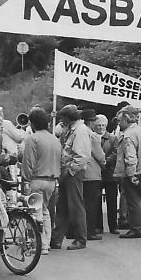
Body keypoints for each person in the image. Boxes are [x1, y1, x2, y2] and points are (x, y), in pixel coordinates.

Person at [20, 107, 61, 256]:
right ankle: (45, 244)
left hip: (36, 180)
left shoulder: (33, 139)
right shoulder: (55, 139)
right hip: (51, 181)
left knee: (34, 212)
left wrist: (25, 180)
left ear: (32, 123)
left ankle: (37, 243)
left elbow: (28, 162)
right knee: (45, 211)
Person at [51, 105, 91, 250]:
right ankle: (56, 238)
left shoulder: (80, 131)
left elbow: (83, 155)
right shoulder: (72, 129)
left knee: (75, 206)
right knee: (62, 206)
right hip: (67, 170)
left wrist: (70, 170)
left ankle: (81, 238)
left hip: (73, 172)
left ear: (68, 117)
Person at [114, 105, 141, 238]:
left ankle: (136, 228)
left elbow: (130, 157)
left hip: (132, 171)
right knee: (139, 198)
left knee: (133, 201)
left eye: (120, 120)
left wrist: (130, 174)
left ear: (127, 119)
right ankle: (139, 225)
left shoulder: (128, 135)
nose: (118, 123)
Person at [81, 109, 106, 241]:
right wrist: (104, 165)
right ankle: (90, 231)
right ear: (91, 121)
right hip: (93, 173)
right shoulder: (92, 135)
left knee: (82, 202)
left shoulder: (78, 131)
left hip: (82, 172)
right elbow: (100, 156)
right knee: (91, 204)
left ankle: (78, 229)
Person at [94, 114, 120, 235]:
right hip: (96, 173)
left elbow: (116, 152)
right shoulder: (91, 137)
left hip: (109, 173)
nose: (100, 127)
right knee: (96, 201)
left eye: (103, 125)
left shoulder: (113, 138)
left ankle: (113, 226)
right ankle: (98, 226)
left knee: (112, 201)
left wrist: (106, 161)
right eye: (98, 125)